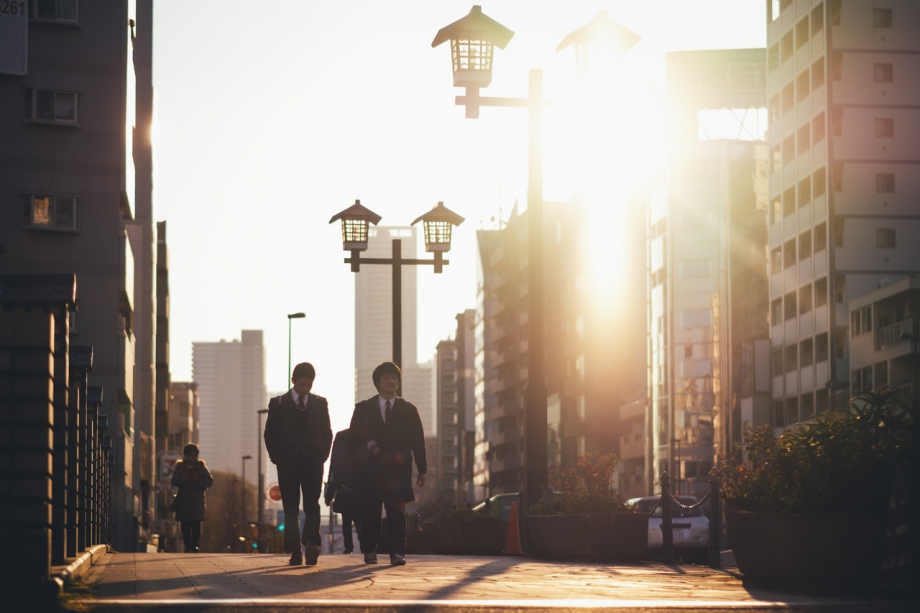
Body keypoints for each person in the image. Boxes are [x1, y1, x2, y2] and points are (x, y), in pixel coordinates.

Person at [349, 361, 427, 566]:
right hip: (370, 471)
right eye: (386, 377)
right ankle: (370, 550)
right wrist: (369, 444)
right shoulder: (364, 408)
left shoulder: (409, 410)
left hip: (398, 471)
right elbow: (354, 438)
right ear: (377, 382)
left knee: (397, 513)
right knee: (370, 512)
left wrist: (422, 469)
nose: (391, 380)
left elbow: (418, 440)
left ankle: (397, 553)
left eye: (394, 377)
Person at [264, 362, 333, 566]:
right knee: (291, 507)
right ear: (293, 381)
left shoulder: (320, 403)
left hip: (313, 462)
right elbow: (270, 433)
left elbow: (327, 432)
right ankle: (295, 550)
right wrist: (277, 457)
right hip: (287, 463)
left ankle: (311, 543)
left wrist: (323, 456)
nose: (305, 389)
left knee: (312, 504)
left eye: (309, 385)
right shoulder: (277, 403)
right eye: (302, 384)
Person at [324, 428, 364, 554]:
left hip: (345, 491)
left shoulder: (341, 439)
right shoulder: (361, 437)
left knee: (347, 521)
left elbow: (334, 474)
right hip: (357, 492)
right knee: (358, 521)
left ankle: (349, 547)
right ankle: (363, 546)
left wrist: (329, 496)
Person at [170, 443, 214, 553]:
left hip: (197, 501)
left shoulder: (201, 467)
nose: (191, 458)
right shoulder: (180, 467)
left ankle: (195, 545)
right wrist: (185, 479)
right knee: (185, 525)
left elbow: (210, 481)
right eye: (189, 455)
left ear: (197, 456)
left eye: (193, 455)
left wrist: (198, 480)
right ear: (185, 456)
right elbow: (174, 481)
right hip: (183, 500)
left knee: (196, 524)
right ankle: (187, 545)